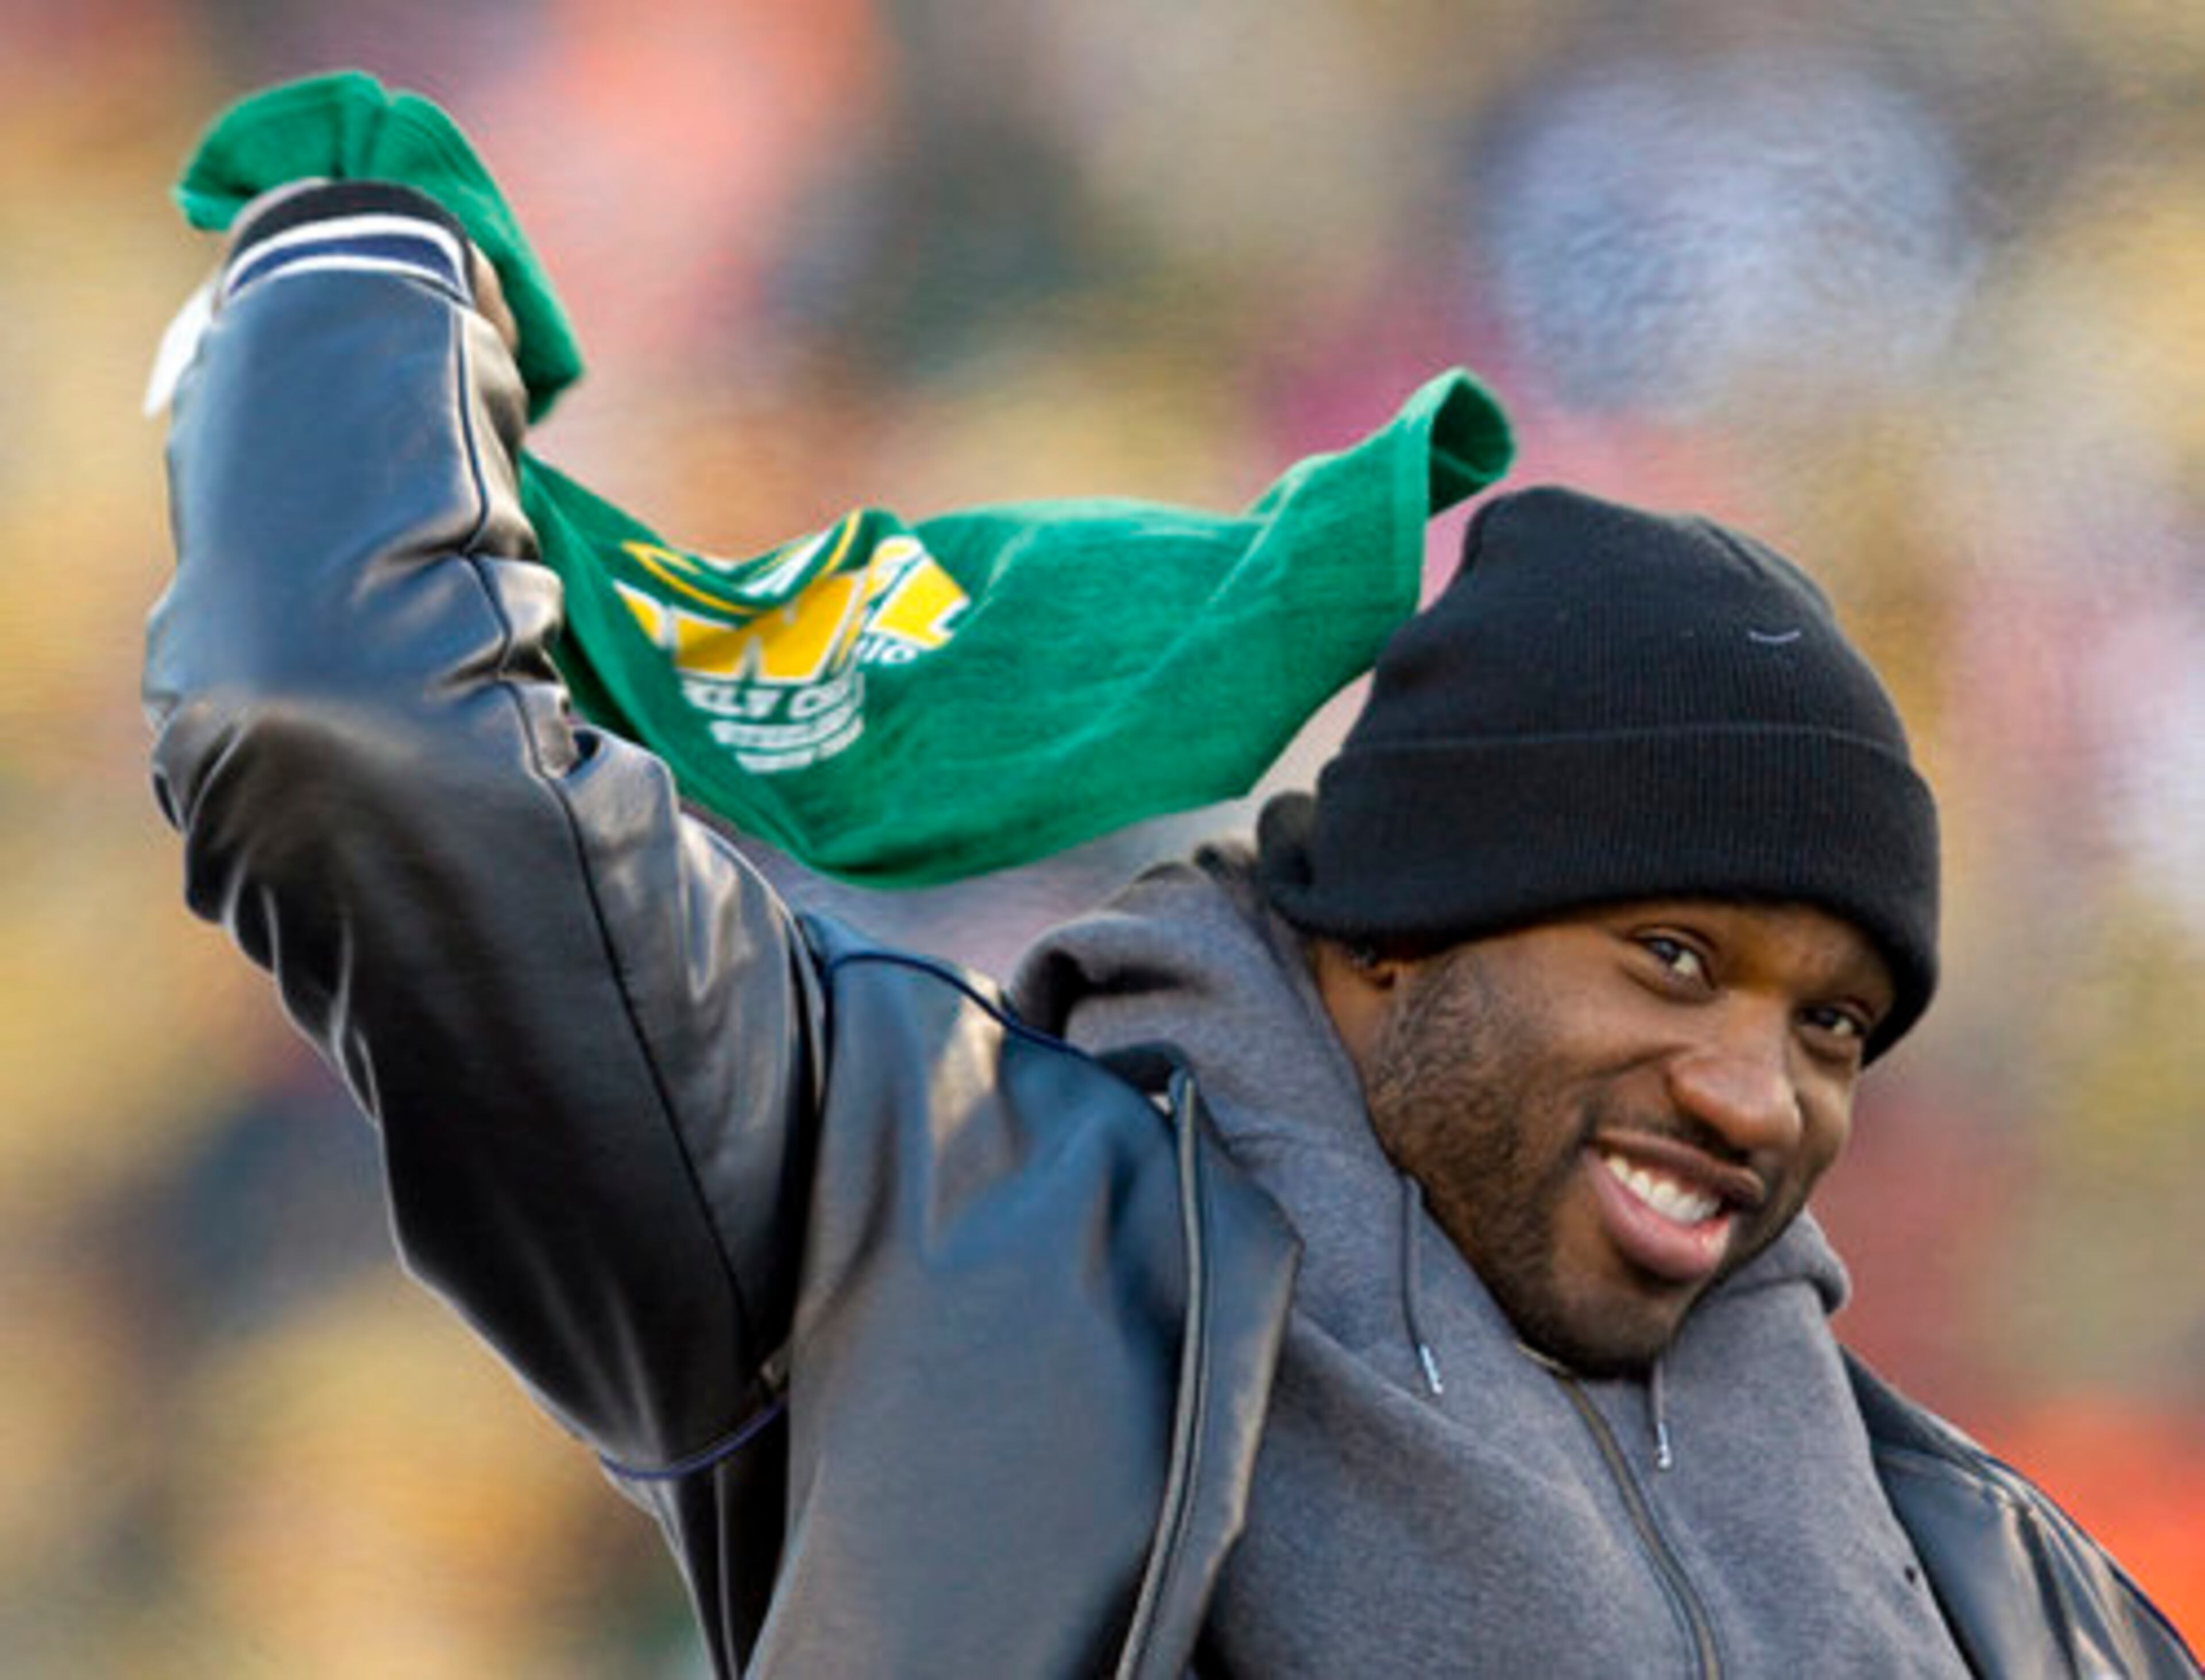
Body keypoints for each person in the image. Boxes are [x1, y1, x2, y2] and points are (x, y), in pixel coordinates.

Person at [145, 181, 2196, 1679]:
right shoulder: (921, 1230)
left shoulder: (2006, 1588)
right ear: (1401, 928)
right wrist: (356, 267)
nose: (1762, 1094)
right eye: (1674, 958)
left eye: (1837, 1024)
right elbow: (346, 737)